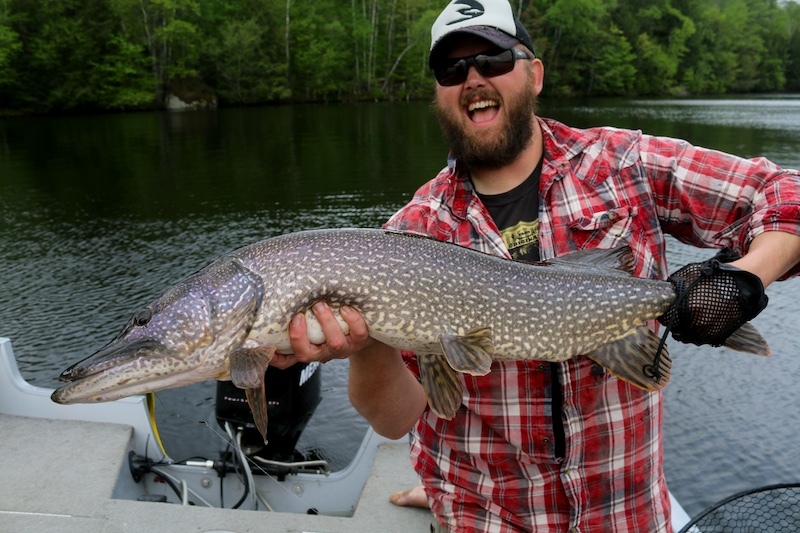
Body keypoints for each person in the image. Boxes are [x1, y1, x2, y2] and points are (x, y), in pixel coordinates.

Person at [270, 0, 800, 530]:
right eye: (452, 69)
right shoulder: (411, 233)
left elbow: (784, 190)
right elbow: (395, 419)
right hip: (487, 517)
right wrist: (367, 345)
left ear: (534, 73)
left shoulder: (623, 165)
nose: (473, 78)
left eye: (493, 58)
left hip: (625, 516)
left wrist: (745, 278)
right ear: (438, 91)